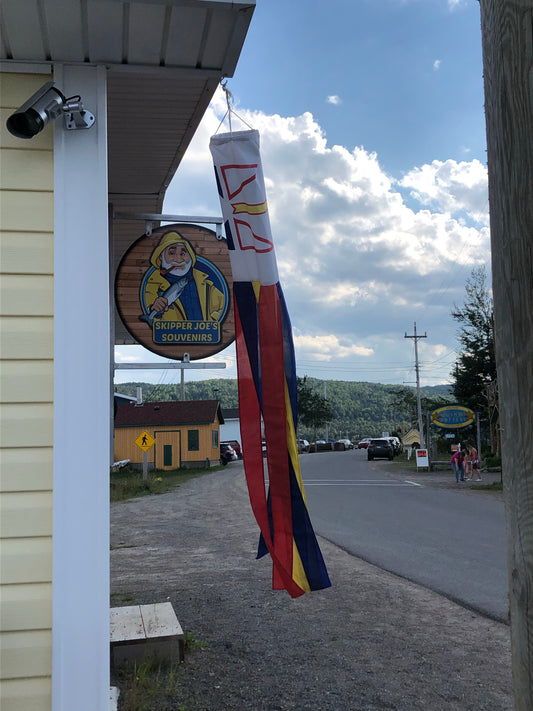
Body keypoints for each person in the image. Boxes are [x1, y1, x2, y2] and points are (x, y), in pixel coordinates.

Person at [142, 231, 225, 322]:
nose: (178, 259)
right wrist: (155, 310)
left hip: (203, 335)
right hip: (173, 335)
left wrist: (212, 323)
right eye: (172, 253)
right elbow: (148, 304)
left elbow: (223, 306)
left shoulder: (204, 283)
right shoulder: (152, 285)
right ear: (161, 256)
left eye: (183, 254)